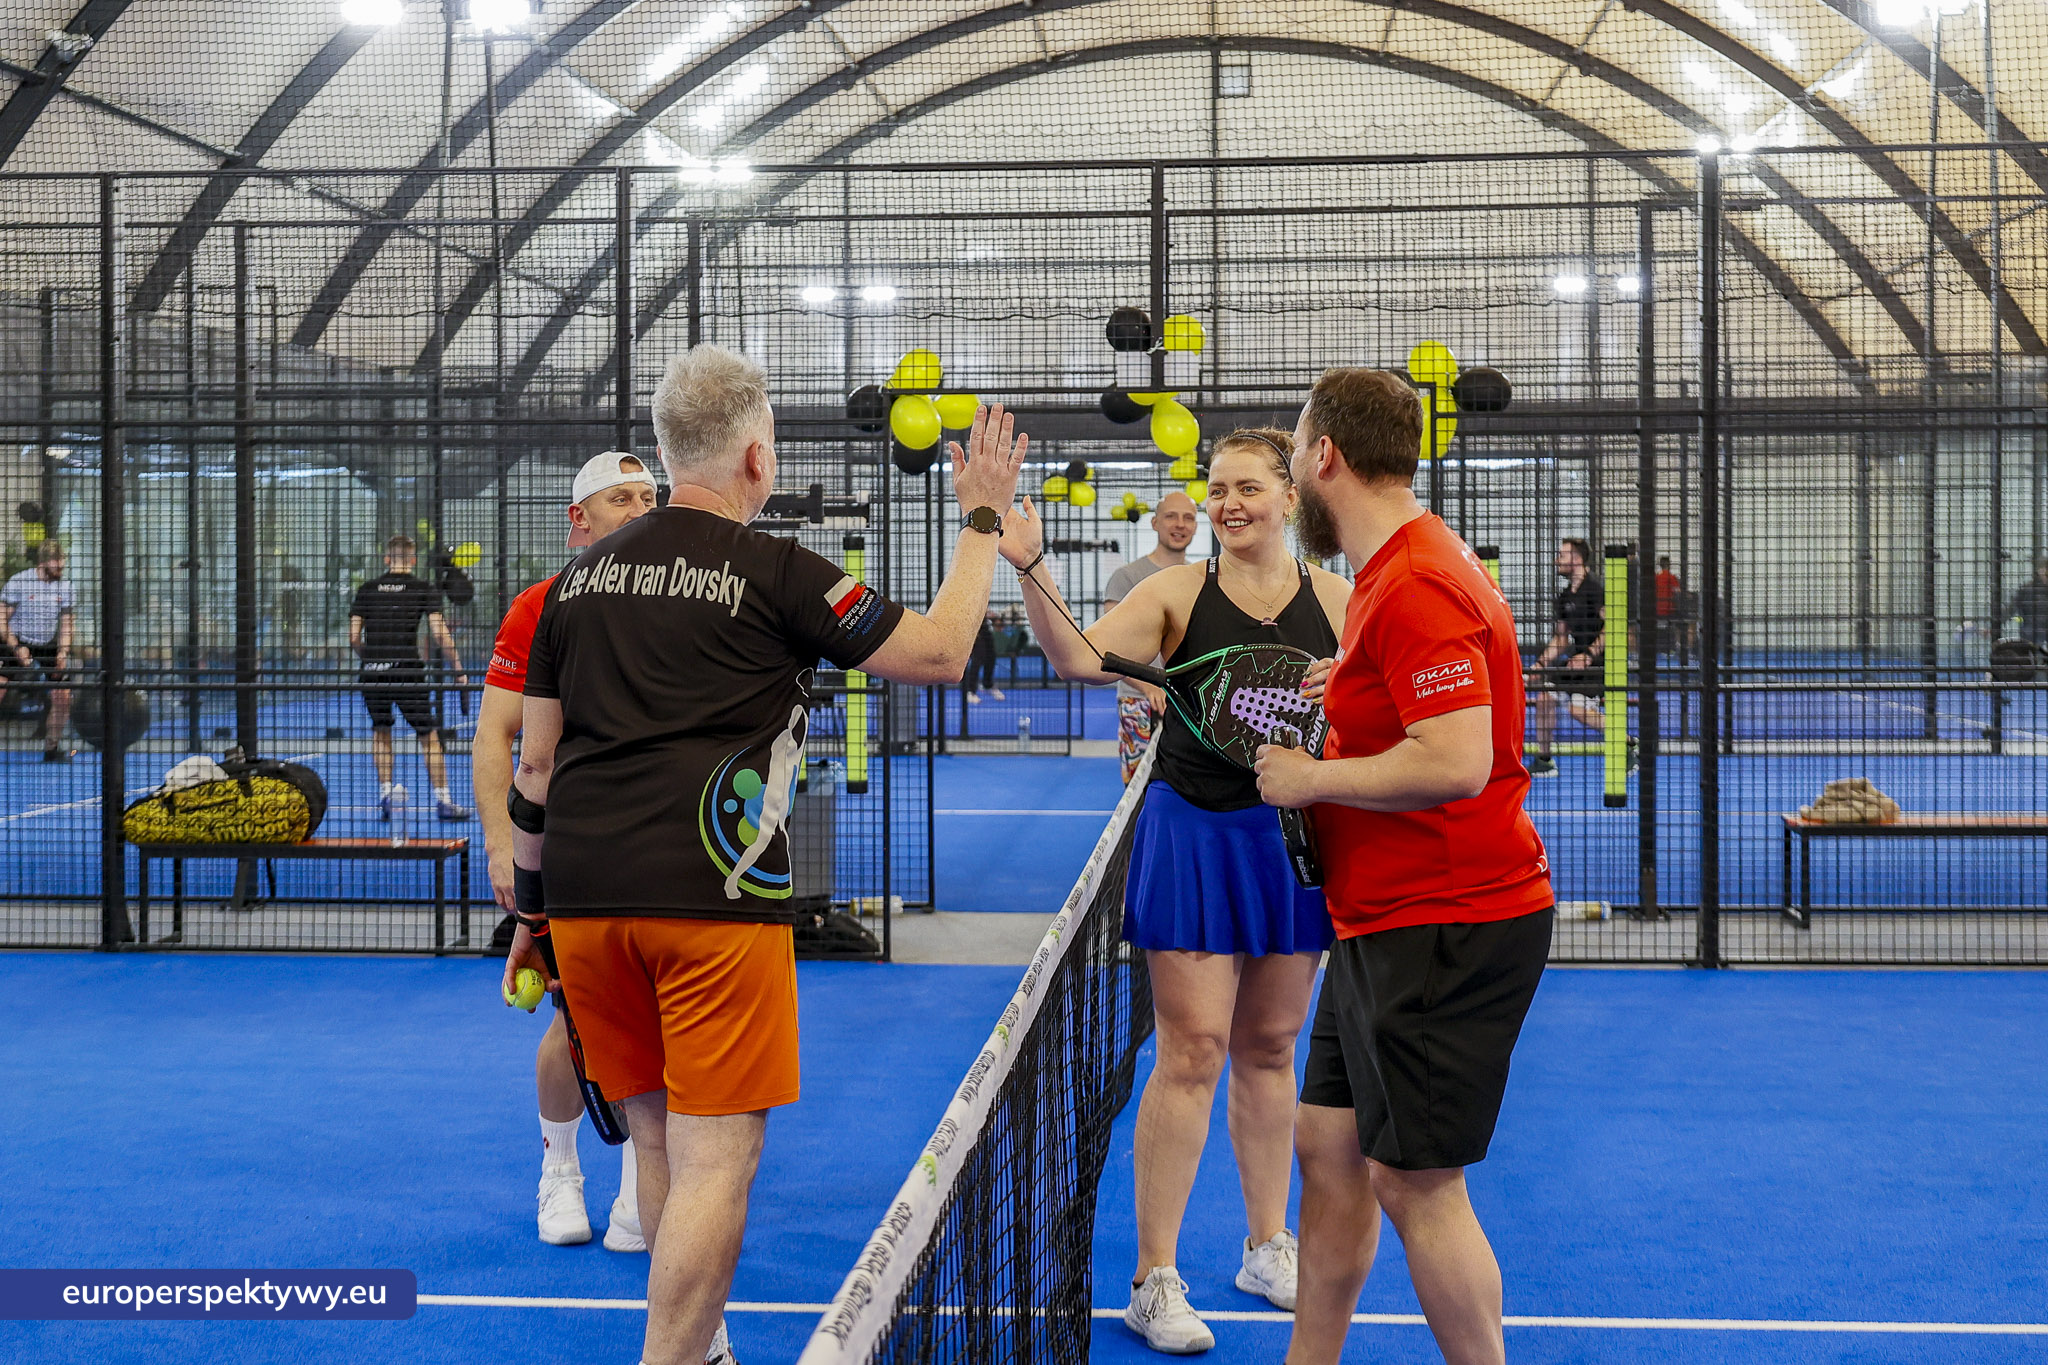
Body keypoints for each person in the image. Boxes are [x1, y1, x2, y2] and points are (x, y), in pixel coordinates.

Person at [505, 344, 1027, 1365]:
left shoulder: (570, 586)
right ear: (756, 457)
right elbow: (938, 653)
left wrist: (530, 914)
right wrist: (981, 521)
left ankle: (696, 1347)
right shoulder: (778, 569)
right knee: (717, 1162)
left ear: (666, 457)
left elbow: (534, 767)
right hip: (713, 899)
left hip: (585, 900)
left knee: (658, 1141)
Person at [1001, 430, 1346, 1353]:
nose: (1229, 504)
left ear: (1289, 497)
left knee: (1271, 1047)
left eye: (1248, 488)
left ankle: (1267, 1245)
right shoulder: (1174, 595)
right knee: (1192, 1050)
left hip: (1291, 843)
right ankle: (1153, 1277)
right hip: (1193, 834)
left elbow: (1385, 703)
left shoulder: (1339, 600)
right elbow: (1077, 658)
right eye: (1217, 488)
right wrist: (1030, 567)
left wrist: (1352, 685)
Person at [1253, 366, 1554, 1365]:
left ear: (1325, 456)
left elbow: (1456, 759)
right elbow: (1416, 701)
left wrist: (1310, 778)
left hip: (1445, 922)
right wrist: (1346, 681)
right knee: (1326, 1144)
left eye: (1294, 454)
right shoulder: (1390, 570)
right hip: (1377, 918)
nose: (1291, 477)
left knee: (1416, 1182)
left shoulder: (1416, 577)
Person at [476, 452, 659, 1251]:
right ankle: (559, 1168)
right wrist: (501, 843)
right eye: (622, 497)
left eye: (649, 495)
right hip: (569, 854)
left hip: (658, 849)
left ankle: (640, 1181)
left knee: (658, 1021)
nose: (640, 507)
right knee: (575, 1016)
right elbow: (498, 734)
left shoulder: (680, 600)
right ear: (579, 518)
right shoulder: (539, 606)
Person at [349, 534, 472, 820]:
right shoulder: (422, 588)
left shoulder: (367, 589)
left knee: (381, 731)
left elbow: (353, 636)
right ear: (413, 560)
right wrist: (459, 671)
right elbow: (439, 633)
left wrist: (371, 659)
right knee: (428, 736)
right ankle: (444, 801)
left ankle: (386, 796)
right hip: (408, 672)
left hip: (372, 674)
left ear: (387, 559)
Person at [1103, 491, 1199, 785]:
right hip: (1140, 704)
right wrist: (1148, 686)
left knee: (1187, 790)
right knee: (1138, 791)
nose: (1180, 524)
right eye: (1171, 516)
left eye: (1188, 518)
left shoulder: (1200, 578)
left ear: (1196, 526)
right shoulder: (1127, 577)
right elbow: (1108, 650)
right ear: (1155, 523)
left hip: (1190, 705)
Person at [1526, 537, 1618, 778]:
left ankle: (1627, 742)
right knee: (1544, 698)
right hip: (1576, 661)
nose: (1557, 560)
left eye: (1562, 555)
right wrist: (1539, 665)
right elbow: (1561, 638)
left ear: (1576, 559)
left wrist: (1589, 655)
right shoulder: (1565, 596)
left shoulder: (1596, 589)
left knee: (1577, 710)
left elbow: (1611, 628)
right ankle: (1545, 760)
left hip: (1600, 663)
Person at [0, 540, 76, 762]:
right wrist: (16, 647)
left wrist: (62, 652)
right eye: (57, 563)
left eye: (62, 562)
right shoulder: (19, 582)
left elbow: (67, 624)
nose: (61, 567)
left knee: (63, 696)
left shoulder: (66, 587)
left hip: (47, 644)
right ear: (43, 562)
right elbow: (2, 620)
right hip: (16, 640)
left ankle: (52, 749)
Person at [2003, 556, 2048, 649]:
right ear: (2040, 571)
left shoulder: (2027, 588)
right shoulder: (2027, 589)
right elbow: (2011, 609)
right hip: (2032, 636)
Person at [963, 611, 1003, 704]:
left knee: (991, 657)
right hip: (972, 628)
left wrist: (993, 616)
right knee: (977, 659)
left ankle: (987, 685)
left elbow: (983, 610)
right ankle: (970, 691)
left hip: (984, 628)